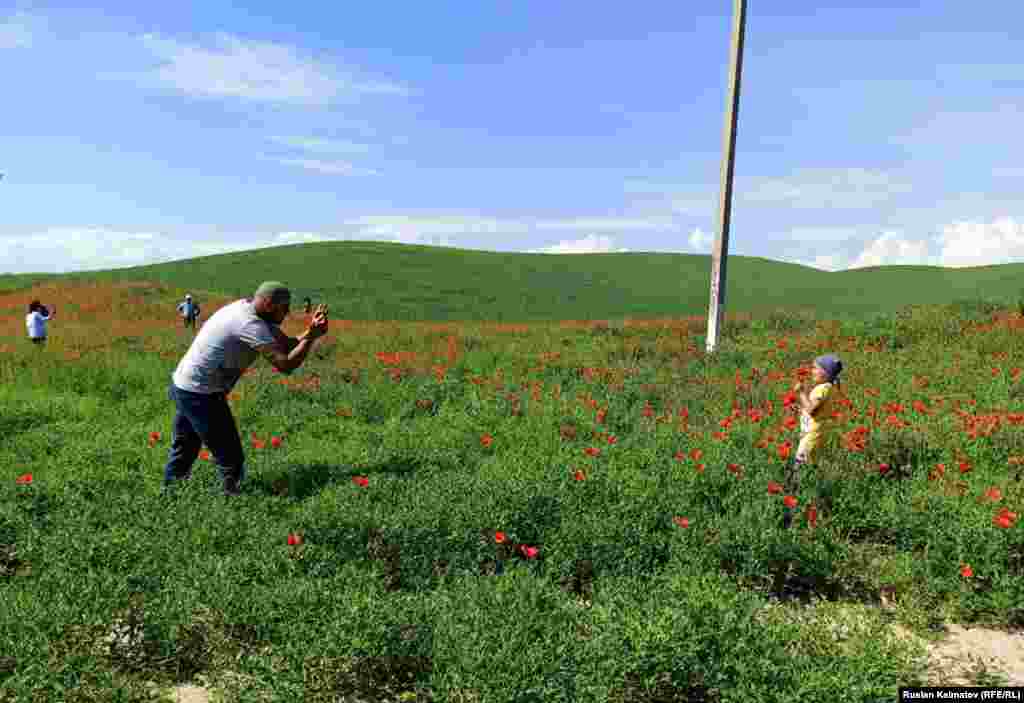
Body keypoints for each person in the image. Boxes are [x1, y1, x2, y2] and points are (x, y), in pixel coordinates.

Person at [162, 282, 329, 497]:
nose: (287, 313)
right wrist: (311, 338)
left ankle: (170, 495)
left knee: (185, 446)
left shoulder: (246, 308)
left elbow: (286, 344)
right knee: (230, 458)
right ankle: (233, 501)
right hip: (200, 393)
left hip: (185, 384)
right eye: (284, 308)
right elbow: (285, 364)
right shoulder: (249, 324)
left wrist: (311, 332)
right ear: (268, 304)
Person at [783, 354, 843, 528]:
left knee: (798, 473)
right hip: (817, 435)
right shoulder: (828, 388)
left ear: (825, 372)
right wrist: (800, 406)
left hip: (811, 437)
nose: (812, 371)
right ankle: (816, 509)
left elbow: (811, 409)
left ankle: (795, 514)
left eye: (815, 368)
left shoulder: (822, 389)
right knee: (811, 470)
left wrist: (801, 393)